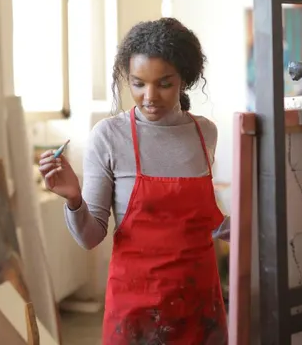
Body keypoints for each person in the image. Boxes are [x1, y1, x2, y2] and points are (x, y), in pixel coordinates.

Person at [39, 17, 229, 344]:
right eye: (138, 83)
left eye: (164, 83)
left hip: (199, 303)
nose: (149, 96)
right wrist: (74, 199)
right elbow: (90, 237)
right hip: (137, 310)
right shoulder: (110, 137)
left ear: (184, 78)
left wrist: (253, 226)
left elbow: (202, 222)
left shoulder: (204, 133)